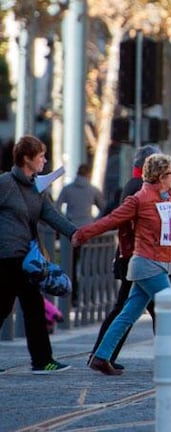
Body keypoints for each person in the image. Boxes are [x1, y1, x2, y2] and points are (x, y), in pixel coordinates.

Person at [73, 153, 171, 375]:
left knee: (128, 314)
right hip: (147, 264)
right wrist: (82, 234)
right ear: (159, 175)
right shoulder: (139, 199)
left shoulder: (168, 198)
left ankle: (101, 357)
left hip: (157, 263)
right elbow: (110, 219)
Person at [0, 135, 78, 374]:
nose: (45, 160)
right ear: (27, 159)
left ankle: (43, 361)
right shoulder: (5, 183)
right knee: (4, 306)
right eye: (41, 156)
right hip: (6, 257)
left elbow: (50, 215)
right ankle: (42, 360)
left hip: (25, 258)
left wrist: (76, 233)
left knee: (33, 307)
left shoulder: (37, 187)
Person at [89, 145, 160, 370]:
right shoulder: (140, 188)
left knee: (139, 309)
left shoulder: (137, 185)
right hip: (141, 258)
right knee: (157, 308)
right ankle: (101, 355)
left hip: (140, 258)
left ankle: (102, 355)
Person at [56, 163, 106, 304]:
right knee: (89, 266)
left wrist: (66, 220)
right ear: (89, 175)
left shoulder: (67, 189)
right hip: (88, 232)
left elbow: (56, 207)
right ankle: (89, 296)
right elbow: (104, 208)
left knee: (70, 265)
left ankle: (72, 297)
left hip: (71, 232)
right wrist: (94, 222)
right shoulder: (93, 190)